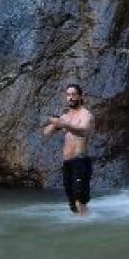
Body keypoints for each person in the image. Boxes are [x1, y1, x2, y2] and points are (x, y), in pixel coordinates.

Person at [41, 83, 95, 215]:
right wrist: (54, 123)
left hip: (80, 162)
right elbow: (46, 134)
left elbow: (83, 131)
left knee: (79, 198)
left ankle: (85, 222)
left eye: (73, 95)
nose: (70, 98)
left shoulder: (86, 115)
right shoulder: (65, 116)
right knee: (72, 202)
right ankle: (81, 224)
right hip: (67, 163)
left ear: (80, 97)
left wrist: (65, 124)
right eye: (68, 95)